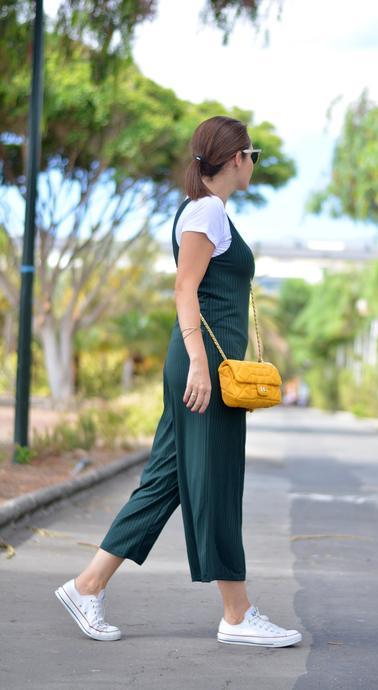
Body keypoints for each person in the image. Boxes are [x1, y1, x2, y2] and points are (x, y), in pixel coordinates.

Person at [54, 115, 302, 648]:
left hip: (206, 368)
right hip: (202, 370)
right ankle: (236, 615)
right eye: (251, 156)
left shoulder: (209, 212)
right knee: (215, 483)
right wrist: (197, 363)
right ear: (235, 159)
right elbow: (185, 289)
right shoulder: (206, 212)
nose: (252, 165)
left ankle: (87, 585)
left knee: (166, 480)